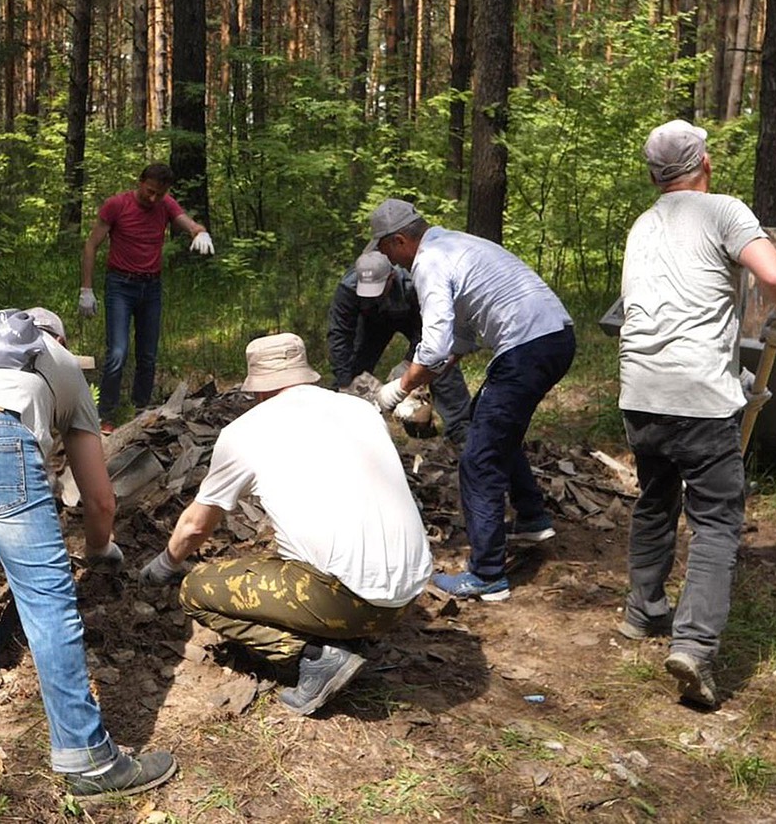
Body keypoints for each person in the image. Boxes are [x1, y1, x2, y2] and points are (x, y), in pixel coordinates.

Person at [0, 307, 177, 798]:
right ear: (57, 336)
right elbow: (99, 498)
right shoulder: (57, 360)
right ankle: (89, 761)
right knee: (44, 589)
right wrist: (100, 550)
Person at [139, 333, 432, 716]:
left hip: (355, 603)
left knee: (197, 589)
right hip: (409, 594)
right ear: (306, 374)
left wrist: (162, 566)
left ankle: (315, 657)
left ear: (256, 387)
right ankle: (342, 628)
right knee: (285, 556)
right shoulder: (359, 410)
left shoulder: (244, 432)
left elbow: (195, 526)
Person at [617, 120, 776, 708]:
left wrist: (735, 374)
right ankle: (693, 647)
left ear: (653, 174)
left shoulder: (642, 225)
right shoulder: (723, 210)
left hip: (640, 393)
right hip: (699, 400)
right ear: (707, 163)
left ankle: (642, 611)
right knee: (718, 522)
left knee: (654, 499)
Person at [369, 199, 575, 602]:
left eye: (385, 250)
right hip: (552, 338)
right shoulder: (456, 245)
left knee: (478, 459)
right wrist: (442, 365)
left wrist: (396, 390)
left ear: (399, 241)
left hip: (527, 346)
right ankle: (532, 517)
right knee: (492, 425)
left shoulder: (429, 262)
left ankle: (487, 575)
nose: (387, 260)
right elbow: (460, 334)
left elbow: (432, 347)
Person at [79, 163, 215, 433]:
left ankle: (141, 409)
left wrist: (199, 231)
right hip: (120, 285)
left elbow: (187, 222)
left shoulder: (165, 205)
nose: (153, 198)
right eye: (150, 192)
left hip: (150, 287)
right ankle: (104, 413)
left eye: (159, 194)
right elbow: (92, 244)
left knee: (148, 354)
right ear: (140, 182)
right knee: (117, 352)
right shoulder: (117, 205)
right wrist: (86, 289)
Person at [328, 250, 471, 444]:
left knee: (437, 361)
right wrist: (345, 382)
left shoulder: (415, 283)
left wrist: (409, 363)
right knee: (352, 367)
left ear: (391, 277)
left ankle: (460, 430)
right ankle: (342, 426)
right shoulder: (347, 288)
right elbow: (339, 335)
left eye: (378, 287)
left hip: (414, 319)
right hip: (372, 322)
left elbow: (431, 331)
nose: (371, 294)